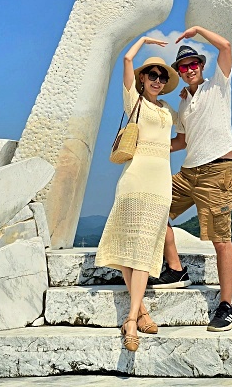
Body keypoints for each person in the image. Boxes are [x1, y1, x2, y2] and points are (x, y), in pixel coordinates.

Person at [149, 26, 232, 332]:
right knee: (153, 205)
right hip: (189, 173)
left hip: (217, 172)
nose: (188, 70)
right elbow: (181, 142)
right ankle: (176, 269)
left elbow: (226, 46)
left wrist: (198, 30)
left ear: (201, 66)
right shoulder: (185, 101)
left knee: (220, 240)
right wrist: (145, 142)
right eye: (183, 67)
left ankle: (227, 306)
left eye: (193, 65)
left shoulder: (218, 86)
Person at [94, 34, 180, 352]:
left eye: (161, 76)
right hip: (134, 181)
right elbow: (127, 61)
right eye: (152, 75)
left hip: (160, 183)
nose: (157, 80)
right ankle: (134, 318)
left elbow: (177, 139)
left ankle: (138, 311)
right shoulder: (136, 102)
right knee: (134, 248)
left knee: (143, 249)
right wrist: (143, 39)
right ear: (143, 78)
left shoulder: (168, 110)